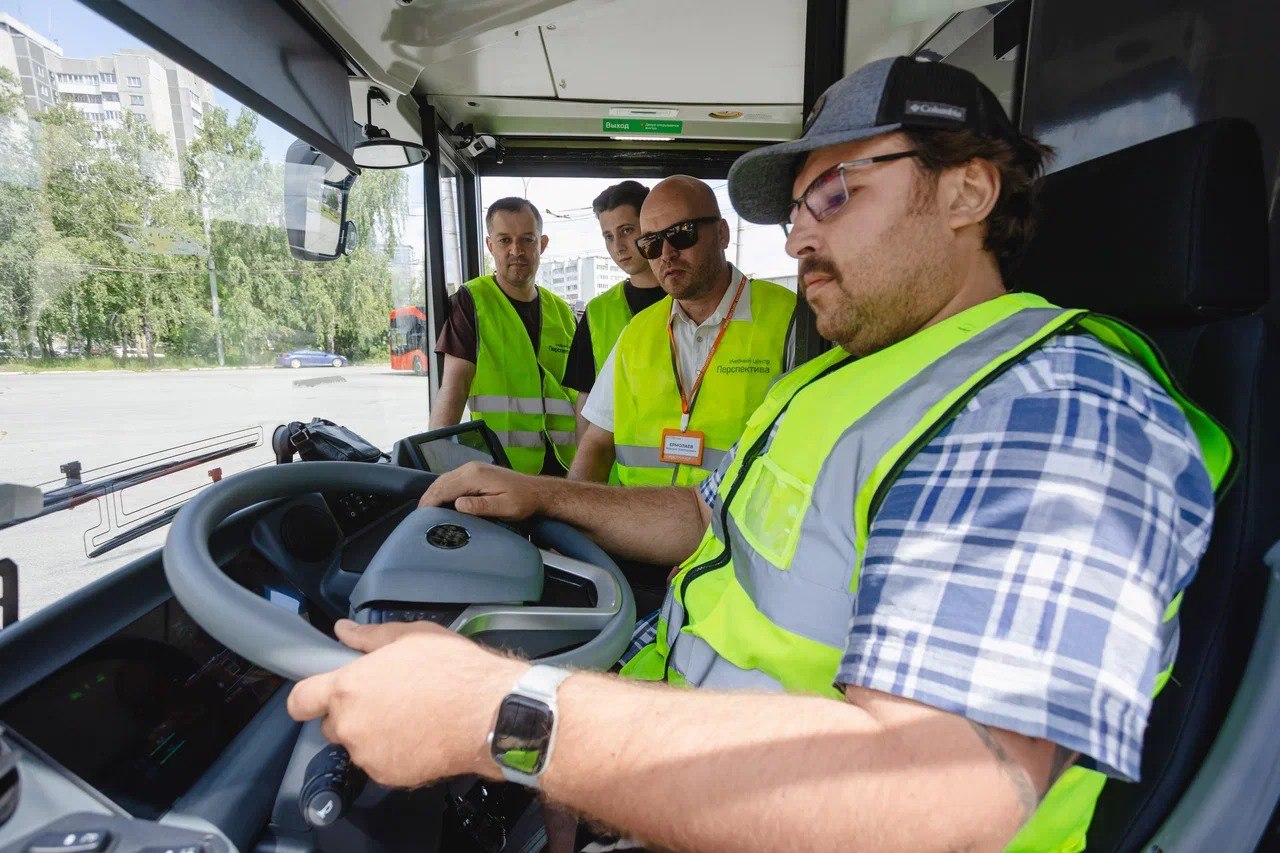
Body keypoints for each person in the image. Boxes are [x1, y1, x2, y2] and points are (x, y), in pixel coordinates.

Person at [289, 57, 1233, 852]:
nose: (801, 234)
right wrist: (542, 495)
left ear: (968, 192)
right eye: (796, 209)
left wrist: (505, 714)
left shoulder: (1049, 407)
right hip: (681, 768)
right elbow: (712, 515)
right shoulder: (841, 377)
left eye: (836, 193)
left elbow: (945, 796)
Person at [568, 175, 795, 485]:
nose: (667, 253)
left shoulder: (790, 319)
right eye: (652, 243)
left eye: (681, 234)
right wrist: (575, 510)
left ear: (722, 234)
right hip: (639, 515)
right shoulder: (637, 333)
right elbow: (596, 443)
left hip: (737, 517)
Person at [430, 197, 578, 476]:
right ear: (490, 246)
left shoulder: (562, 312)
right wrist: (434, 467)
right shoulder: (472, 302)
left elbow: (580, 397)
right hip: (502, 470)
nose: (516, 250)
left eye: (527, 240)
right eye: (504, 240)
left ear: (542, 244)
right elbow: (454, 388)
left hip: (565, 470)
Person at [562, 181, 667, 452]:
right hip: (616, 469)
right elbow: (585, 399)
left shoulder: (689, 299)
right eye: (608, 236)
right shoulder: (597, 311)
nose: (618, 246)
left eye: (627, 231)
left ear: (651, 229)